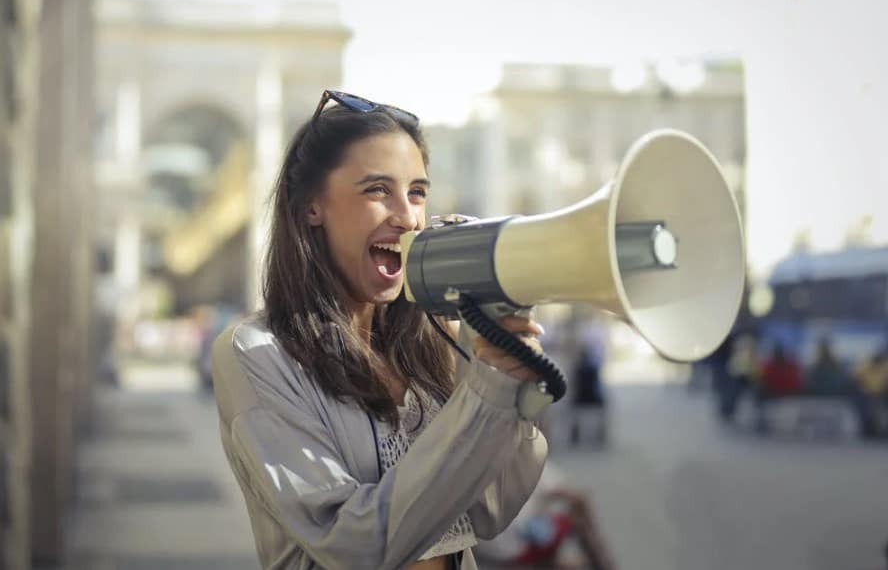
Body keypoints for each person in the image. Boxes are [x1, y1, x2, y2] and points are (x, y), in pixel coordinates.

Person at [211, 90, 549, 570]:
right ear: (312, 207)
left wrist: (512, 390)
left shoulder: (435, 338)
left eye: (416, 192)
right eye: (376, 190)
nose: (408, 216)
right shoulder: (256, 353)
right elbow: (353, 545)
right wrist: (484, 395)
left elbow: (489, 509)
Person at [475, 462, 617, 569]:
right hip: (514, 548)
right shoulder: (534, 460)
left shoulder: (484, 461)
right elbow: (577, 498)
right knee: (576, 518)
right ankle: (603, 563)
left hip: (485, 550)